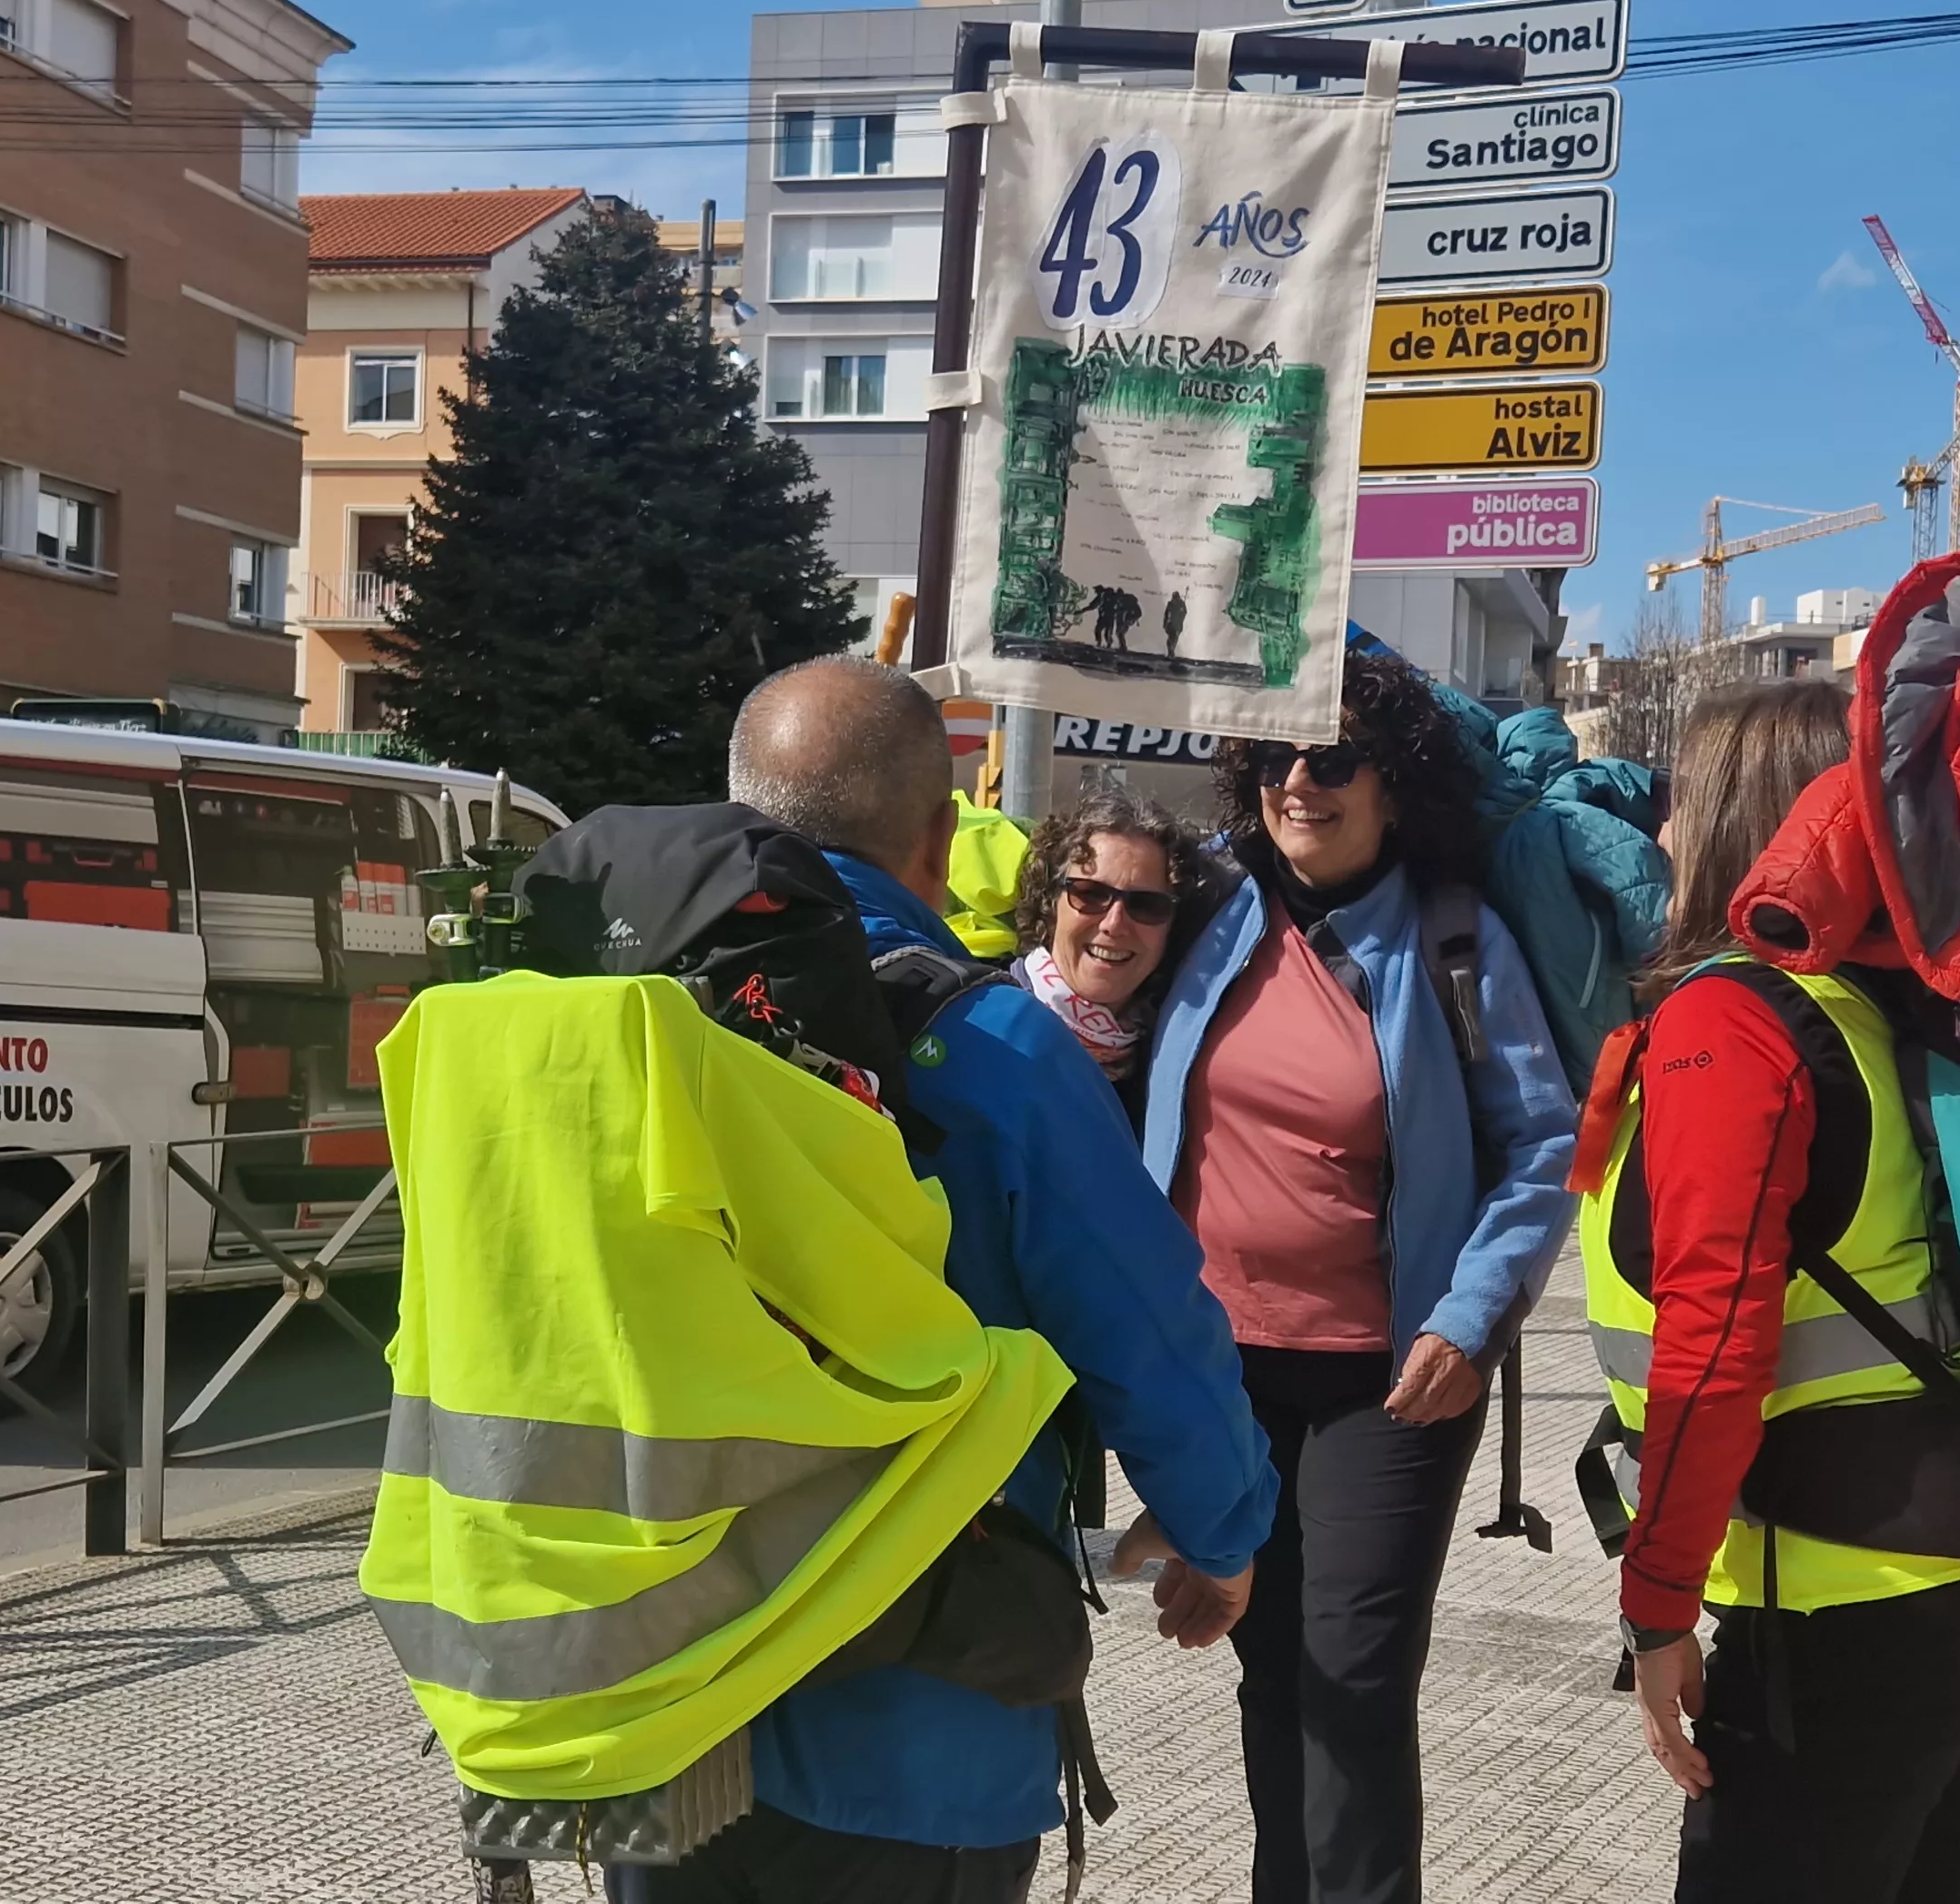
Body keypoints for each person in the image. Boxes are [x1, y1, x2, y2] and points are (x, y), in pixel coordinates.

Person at [621, 655, 1281, 1904]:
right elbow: (1149, 1324)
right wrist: (1222, 1526)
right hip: (905, 1715)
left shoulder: (619, 1015)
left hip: (648, 1691)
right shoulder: (987, 1046)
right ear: (938, 836)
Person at [1582, 680, 1960, 1904]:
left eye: (1683, 800)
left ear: (1736, 821)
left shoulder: (1734, 1022)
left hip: (1849, 1595)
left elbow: (1714, 1341)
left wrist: (1656, 1603)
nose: (1661, 829)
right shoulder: (1896, 1006)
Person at [1137, 648, 1584, 1904]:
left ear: (1393, 784)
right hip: (1220, 1373)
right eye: (1277, 757)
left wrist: (1472, 1315)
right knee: (1270, 1667)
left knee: (1354, 1679)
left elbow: (1544, 1142)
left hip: (1387, 1382)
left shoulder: (1453, 937)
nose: (1301, 782)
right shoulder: (1212, 912)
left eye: (1334, 759)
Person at [1007, 788, 1214, 1103]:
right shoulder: (984, 1027)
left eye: (1146, 905)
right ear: (1050, 902)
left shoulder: (1176, 1070)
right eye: (1090, 894)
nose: (1114, 924)